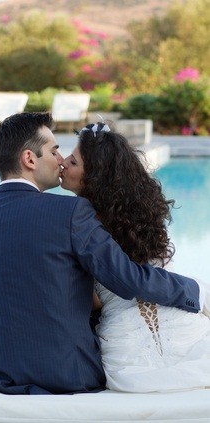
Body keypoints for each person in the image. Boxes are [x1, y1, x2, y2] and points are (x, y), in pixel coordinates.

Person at [0, 112, 202, 396]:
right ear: (30, 159)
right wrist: (195, 290)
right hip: (70, 374)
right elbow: (126, 279)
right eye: (54, 150)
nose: (60, 159)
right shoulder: (72, 212)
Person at [61, 121, 210, 392]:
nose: (63, 164)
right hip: (176, 316)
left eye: (72, 161)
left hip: (128, 344)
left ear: (92, 176)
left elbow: (93, 300)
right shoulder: (142, 214)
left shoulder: (76, 224)